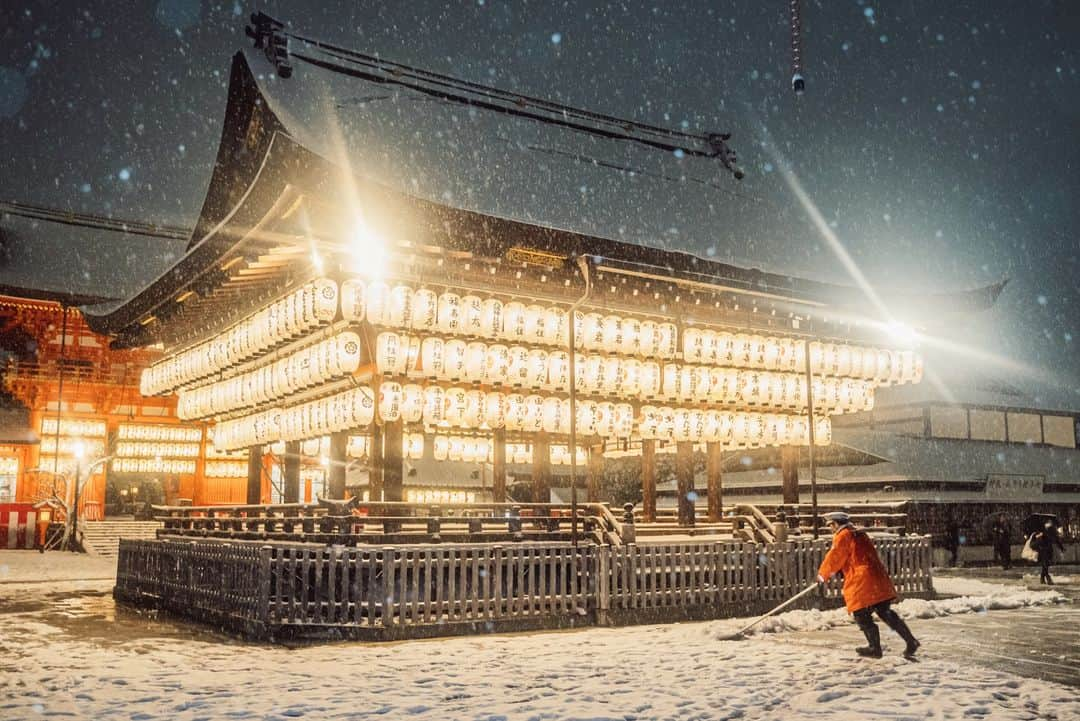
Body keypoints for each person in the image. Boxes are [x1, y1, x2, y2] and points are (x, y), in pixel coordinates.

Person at [818, 511, 920, 659]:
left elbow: (834, 558)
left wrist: (822, 575)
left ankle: (874, 648)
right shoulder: (859, 534)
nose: (830, 529)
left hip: (863, 580)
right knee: (885, 612)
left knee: (861, 614)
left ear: (836, 523)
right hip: (877, 577)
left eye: (830, 525)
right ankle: (911, 641)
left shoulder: (843, 536)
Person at [1032, 520, 1066, 584]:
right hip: (1042, 549)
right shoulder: (1040, 530)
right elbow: (1035, 539)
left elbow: (1056, 539)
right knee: (1045, 564)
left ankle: (1042, 578)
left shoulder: (1051, 531)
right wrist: (1039, 535)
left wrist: (1061, 548)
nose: (1049, 524)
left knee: (1046, 564)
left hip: (1048, 549)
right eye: (1048, 523)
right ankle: (1048, 578)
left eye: (1050, 523)